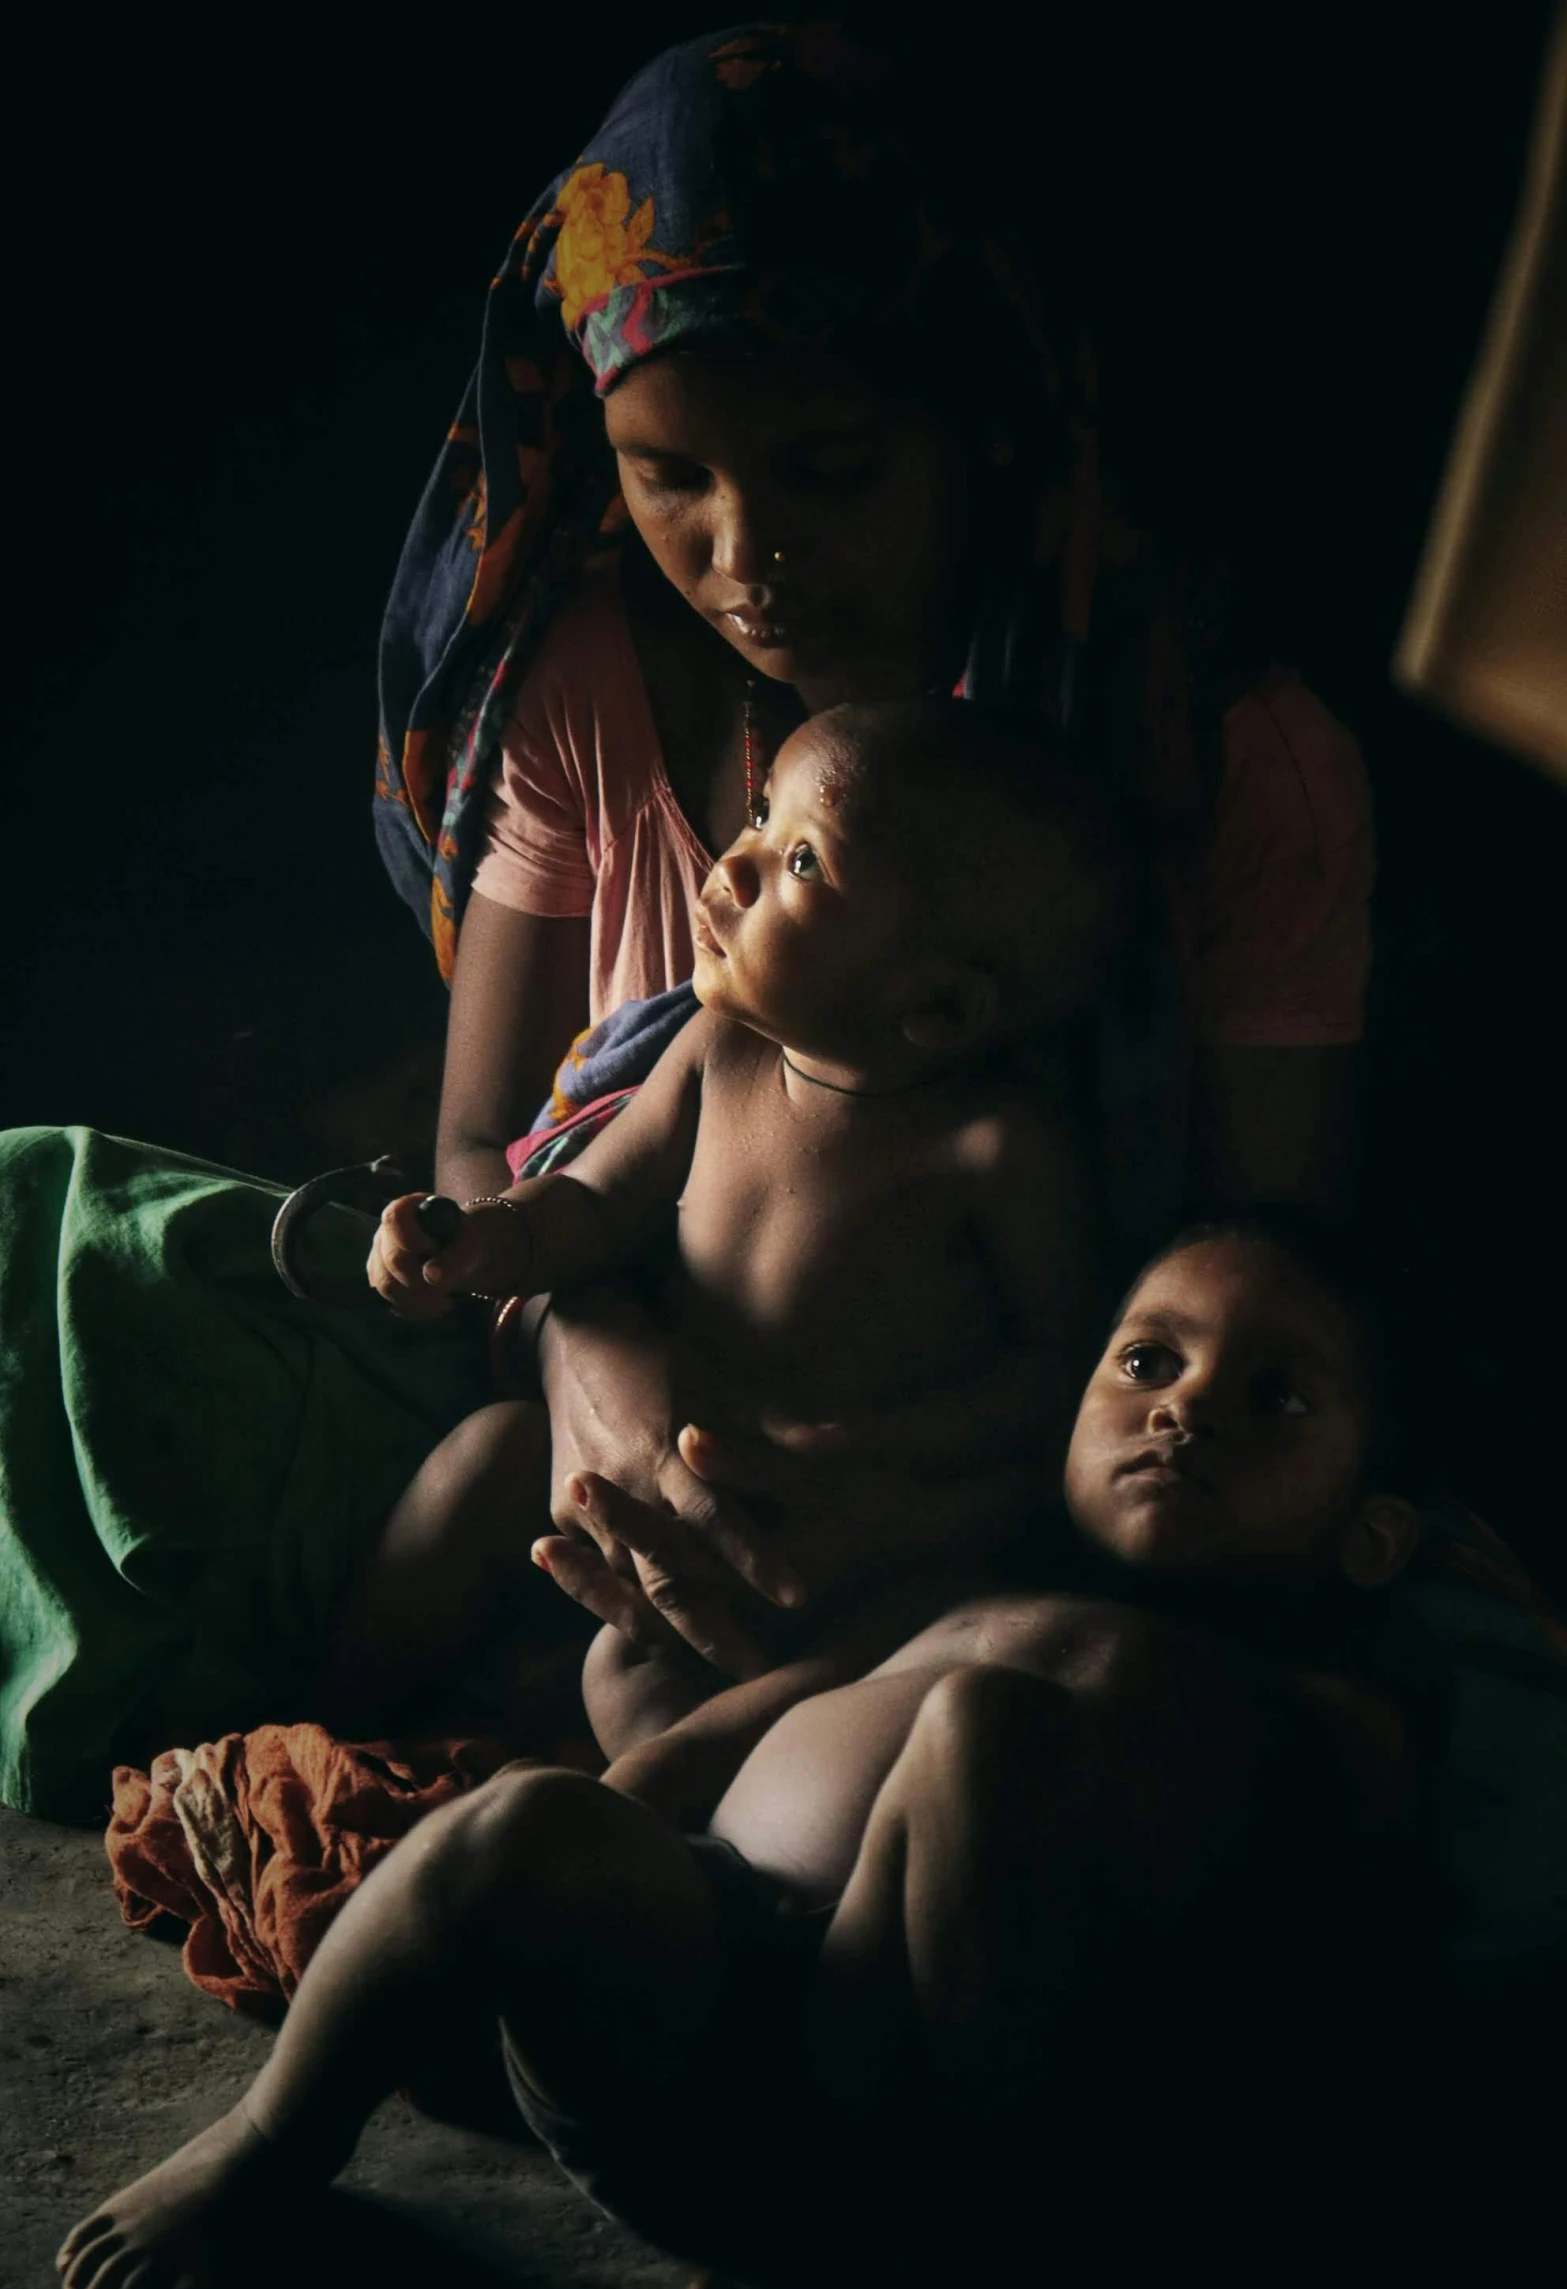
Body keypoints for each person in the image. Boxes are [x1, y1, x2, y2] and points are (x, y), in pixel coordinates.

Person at [0, 23, 1374, 1818]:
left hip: (982, 1492)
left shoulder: (1212, 756)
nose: (747, 556)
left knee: (1025, 1724)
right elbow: (498, 1142)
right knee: (47, 1219)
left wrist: (876, 1497)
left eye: (829, 469)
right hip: (584, 1365)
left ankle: (639, 1830)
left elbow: (1238, 1293)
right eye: (670, 479)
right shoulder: (585, 679)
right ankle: (346, 1731)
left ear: (969, 415)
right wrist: (595, 1379)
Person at [55, 1215, 1435, 2289]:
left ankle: (898, 2286)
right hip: (699, 2032)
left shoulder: (1314, 1710)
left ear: (1372, 1535)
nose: (1186, 1407)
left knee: (982, 1732)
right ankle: (269, 2136)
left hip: (959, 2129)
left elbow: (1311, 1958)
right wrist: (546, 1882)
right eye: (1146, 1360)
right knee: (539, 1815)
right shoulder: (954, 1598)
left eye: (1272, 1397)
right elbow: (714, 1742)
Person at [341, 699, 1118, 1722]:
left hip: (821, 1535)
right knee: (483, 1458)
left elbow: (1058, 1371)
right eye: (759, 815)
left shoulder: (993, 1152)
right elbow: (589, 1197)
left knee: (632, 1683)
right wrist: (481, 1238)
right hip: (632, 1460)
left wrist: (879, 1451)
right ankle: (329, 1715)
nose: (733, 865)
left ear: (936, 1007)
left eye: (803, 861)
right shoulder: (718, 1051)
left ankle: (664, 1830)